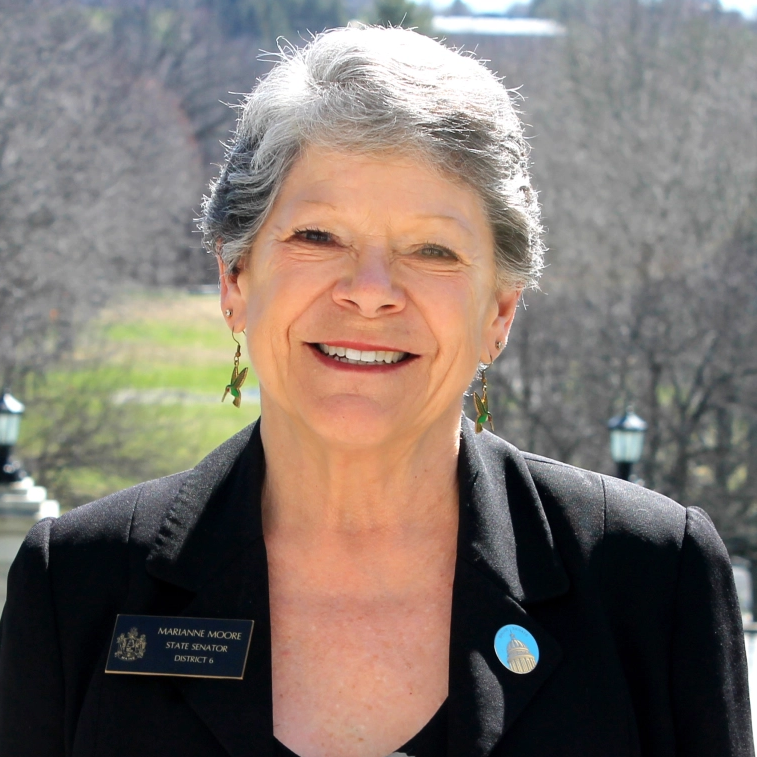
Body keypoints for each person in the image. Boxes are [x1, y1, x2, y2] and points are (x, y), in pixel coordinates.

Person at [0, 25, 752, 757]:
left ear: (499, 310)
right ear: (235, 278)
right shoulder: (78, 585)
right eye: (317, 237)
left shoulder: (652, 579)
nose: (369, 293)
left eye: (431, 250)